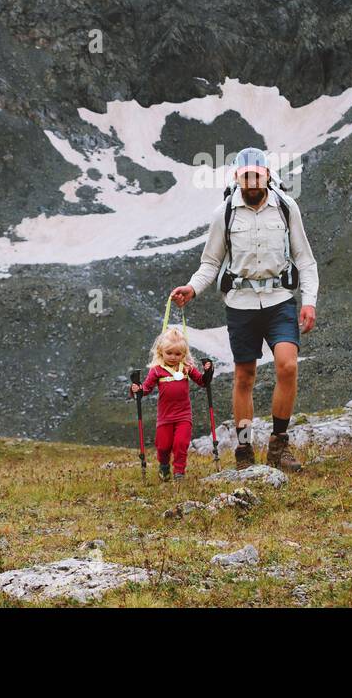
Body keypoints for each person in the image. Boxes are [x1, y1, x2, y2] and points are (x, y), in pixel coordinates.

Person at [169, 147, 318, 472]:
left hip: (280, 300)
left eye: (258, 173)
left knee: (287, 366)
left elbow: (305, 258)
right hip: (240, 305)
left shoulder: (285, 207)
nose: (252, 180)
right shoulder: (224, 213)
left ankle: (279, 446)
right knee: (244, 376)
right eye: (246, 175)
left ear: (267, 175)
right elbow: (210, 262)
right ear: (237, 177)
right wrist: (192, 288)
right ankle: (244, 448)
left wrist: (308, 301)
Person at [132, 326, 210, 481]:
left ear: (184, 354)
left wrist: (208, 372)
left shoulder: (187, 368)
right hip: (165, 417)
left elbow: (202, 382)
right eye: (169, 353)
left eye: (178, 354)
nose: (173, 357)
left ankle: (179, 472)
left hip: (183, 415)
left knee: (181, 444)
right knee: (163, 446)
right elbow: (146, 389)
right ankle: (164, 466)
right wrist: (137, 389)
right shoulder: (156, 371)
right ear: (161, 351)